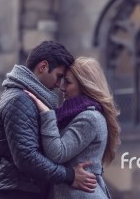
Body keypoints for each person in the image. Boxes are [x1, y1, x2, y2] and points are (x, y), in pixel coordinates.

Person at [0, 41, 97, 199]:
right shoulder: (20, 98)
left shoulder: (26, 96)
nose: (59, 85)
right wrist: (69, 175)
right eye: (59, 76)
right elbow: (26, 157)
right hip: (17, 193)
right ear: (43, 67)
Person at [25, 57, 121, 198]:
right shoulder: (73, 116)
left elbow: (58, 153)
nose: (62, 88)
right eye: (62, 80)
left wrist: (47, 115)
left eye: (68, 82)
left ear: (85, 86)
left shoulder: (89, 118)